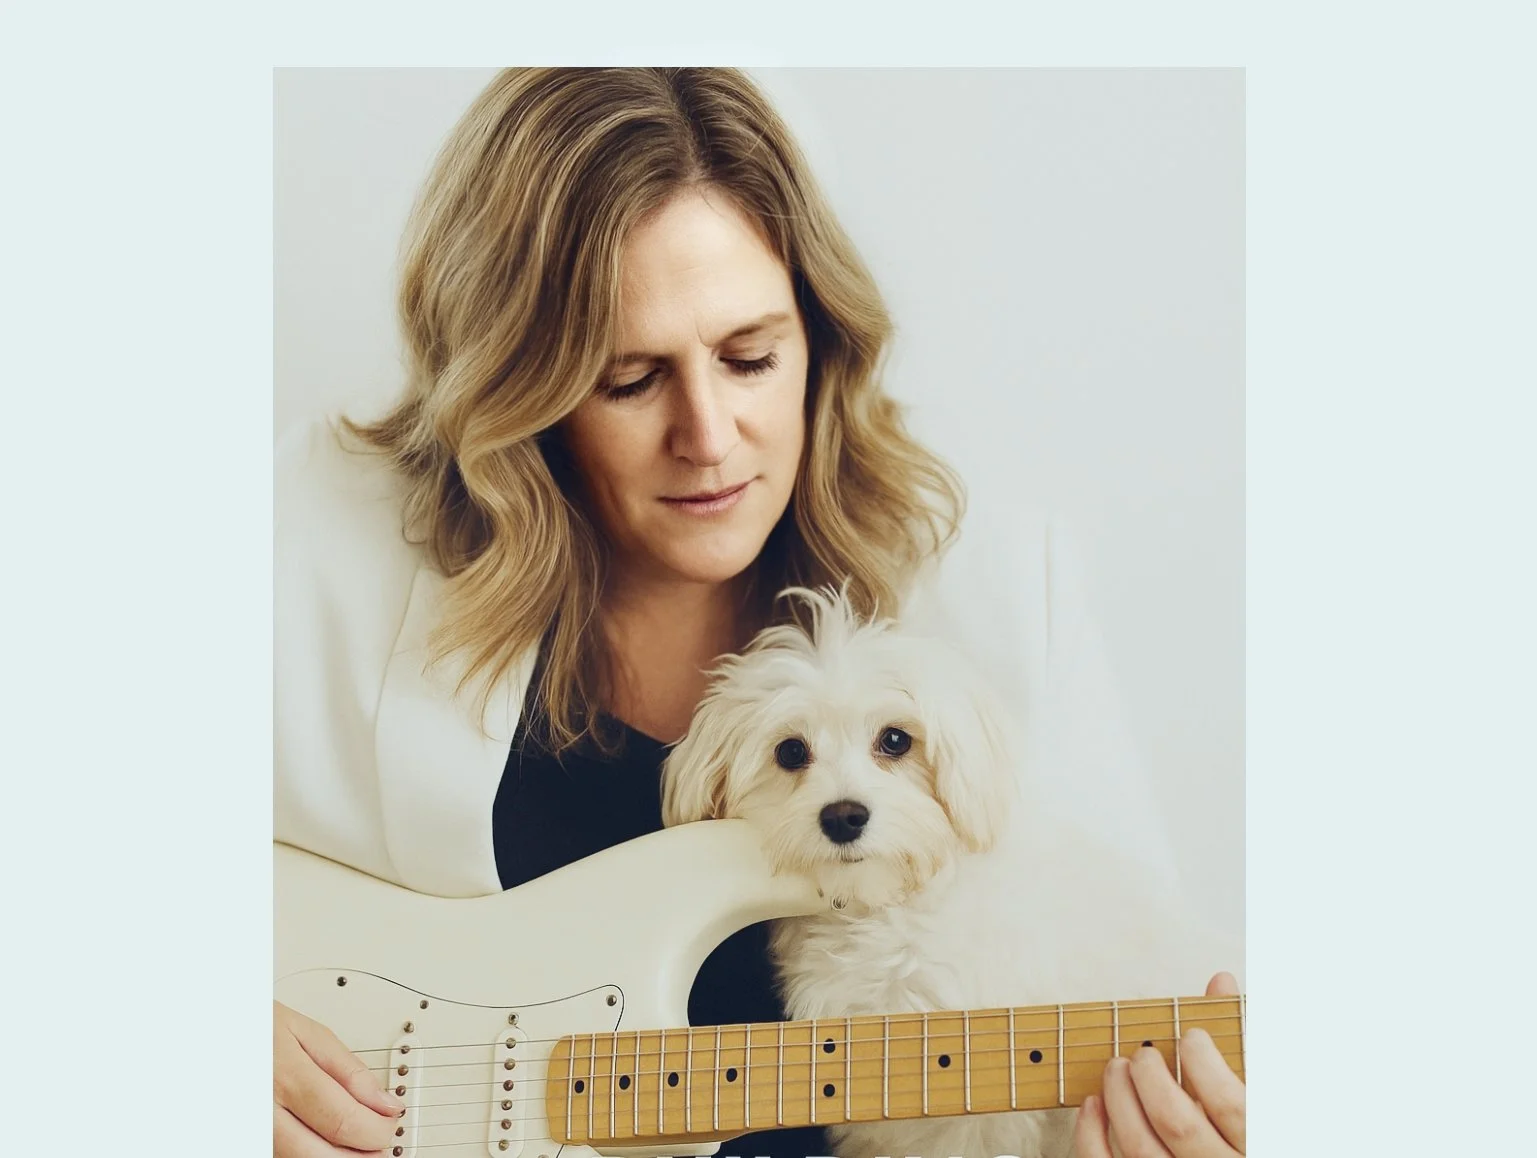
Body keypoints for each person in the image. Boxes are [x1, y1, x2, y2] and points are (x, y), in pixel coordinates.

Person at [274, 67, 1244, 1158]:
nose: (709, 433)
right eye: (630, 378)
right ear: (522, 389)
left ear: (821, 343)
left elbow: (1146, 989)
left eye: (749, 357)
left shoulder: (1008, 593)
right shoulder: (311, 544)